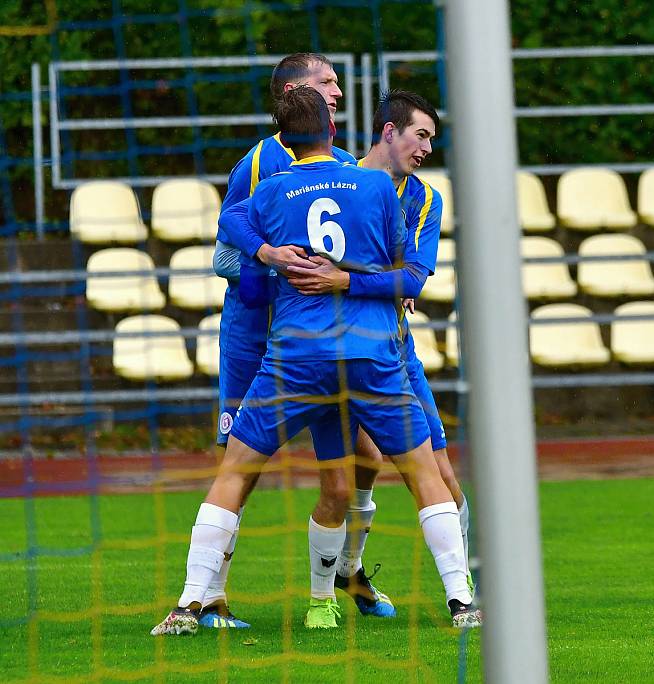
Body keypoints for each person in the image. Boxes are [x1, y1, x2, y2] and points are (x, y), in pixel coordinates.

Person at [150, 87, 478, 636]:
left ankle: (188, 605)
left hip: (297, 356)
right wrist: (353, 274)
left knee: (236, 470)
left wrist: (268, 253)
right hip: (372, 352)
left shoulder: (272, 190)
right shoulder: (375, 185)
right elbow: (409, 273)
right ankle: (462, 603)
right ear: (333, 130)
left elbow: (230, 227)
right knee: (424, 473)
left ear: (284, 136)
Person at [203, 52, 392, 628]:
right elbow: (223, 250)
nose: (338, 90)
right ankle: (207, 597)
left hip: (323, 340)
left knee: (368, 457)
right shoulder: (257, 163)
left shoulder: (340, 164)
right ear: (293, 92)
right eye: (327, 82)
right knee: (243, 466)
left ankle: (347, 569)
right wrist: (271, 258)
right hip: (257, 336)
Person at [284, 89, 474, 593]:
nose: (428, 149)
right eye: (421, 135)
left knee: (439, 472)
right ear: (389, 131)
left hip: (393, 347)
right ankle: (336, 581)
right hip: (324, 347)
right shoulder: (333, 172)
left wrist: (352, 278)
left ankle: (464, 585)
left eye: (433, 139)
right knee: (349, 472)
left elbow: (412, 279)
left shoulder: (425, 198)